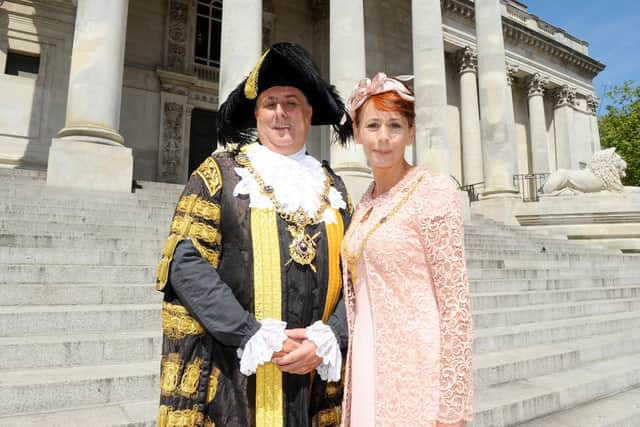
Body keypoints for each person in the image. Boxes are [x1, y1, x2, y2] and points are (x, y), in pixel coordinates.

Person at [154, 42, 352, 427]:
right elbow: (185, 262)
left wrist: (330, 337)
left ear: (309, 114)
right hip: (237, 378)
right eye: (270, 102)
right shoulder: (219, 175)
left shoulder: (336, 189)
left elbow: (357, 279)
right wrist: (249, 333)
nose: (280, 113)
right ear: (256, 113)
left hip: (315, 378)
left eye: (291, 102)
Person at [340, 72, 474, 426]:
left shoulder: (434, 191)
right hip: (366, 363)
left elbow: (455, 305)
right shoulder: (365, 201)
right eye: (372, 126)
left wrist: (452, 406)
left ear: (410, 133)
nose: (383, 138)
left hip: (417, 372)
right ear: (357, 133)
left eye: (394, 126)